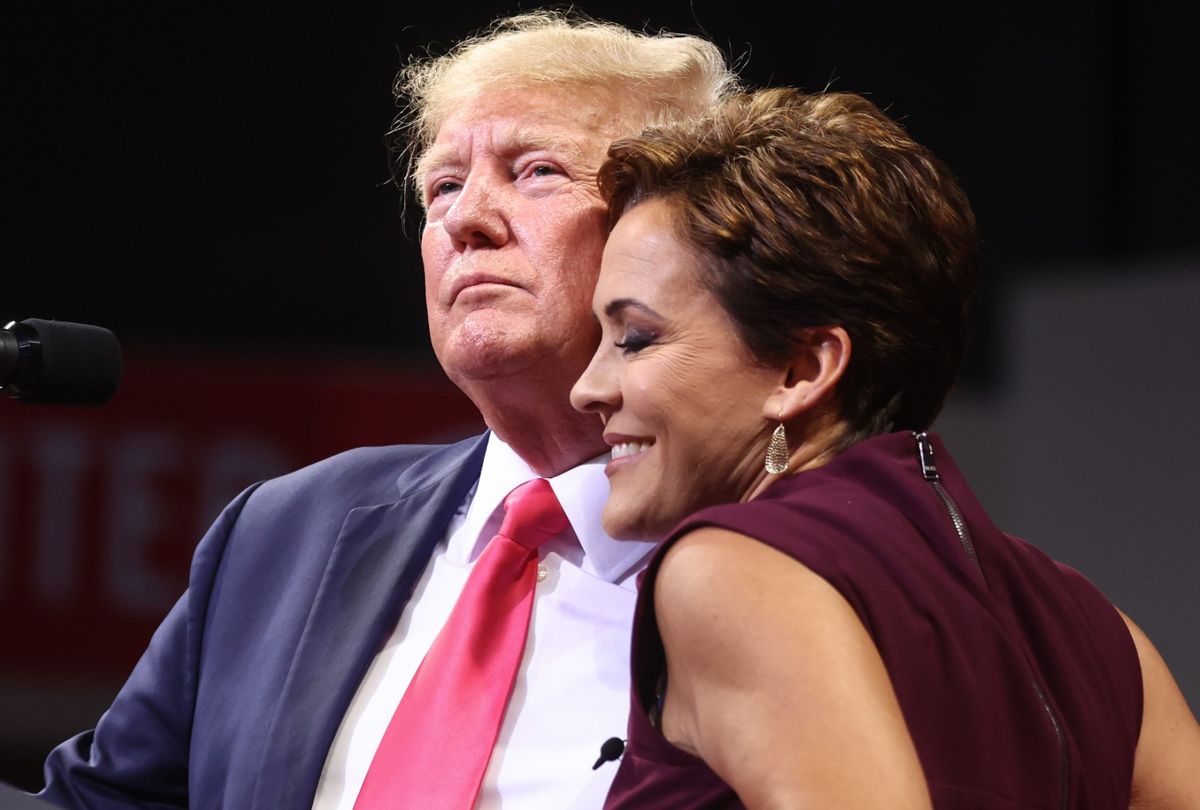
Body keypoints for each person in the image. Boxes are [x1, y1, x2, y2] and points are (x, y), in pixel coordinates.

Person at [37, 12, 737, 809]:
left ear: (674, 235)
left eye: (536, 171)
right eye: (443, 186)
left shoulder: (774, 559)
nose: (465, 220)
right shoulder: (283, 532)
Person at [571, 87, 1200, 808]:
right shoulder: (1102, 632)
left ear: (802, 370)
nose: (587, 389)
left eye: (635, 339)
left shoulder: (730, 573)